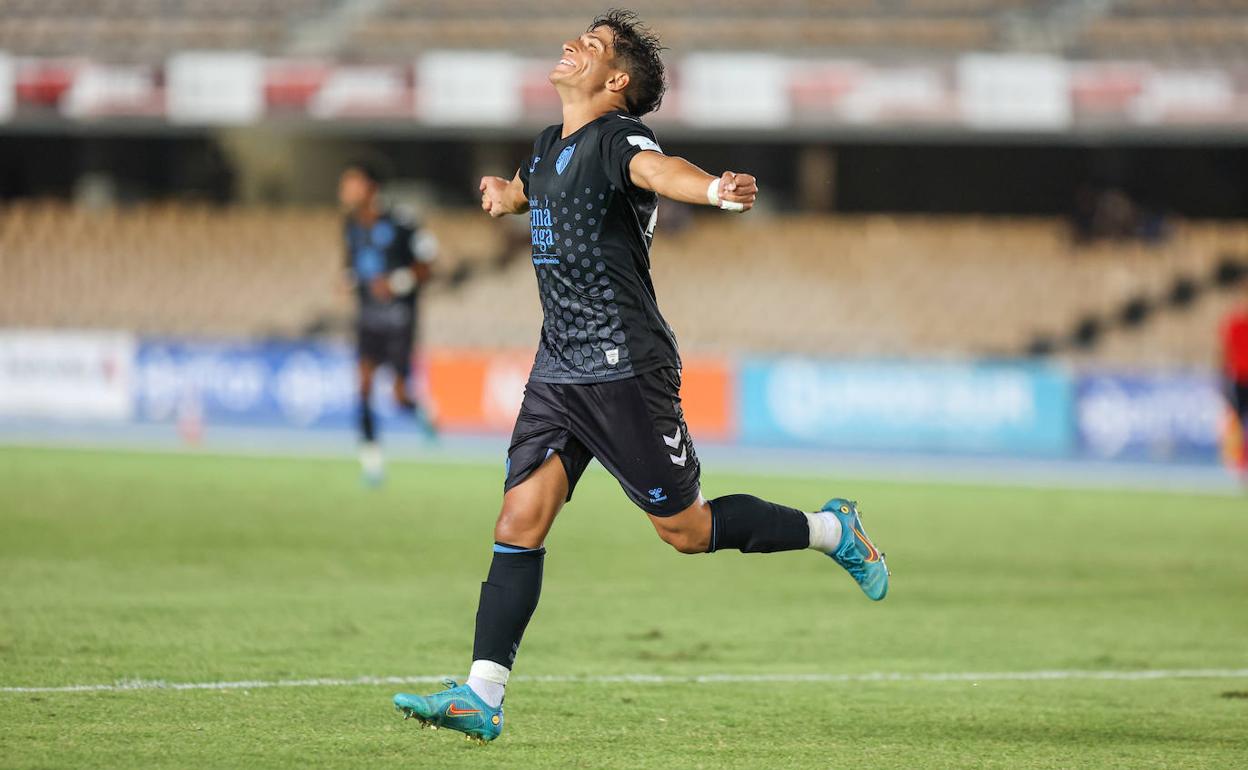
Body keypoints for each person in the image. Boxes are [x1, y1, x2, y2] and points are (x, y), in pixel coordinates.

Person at [393, 10, 890, 743]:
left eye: (589, 46)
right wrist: (505, 195)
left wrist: (714, 190)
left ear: (615, 81)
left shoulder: (620, 137)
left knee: (685, 532)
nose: (571, 45)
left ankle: (831, 529)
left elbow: (659, 172)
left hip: (626, 367)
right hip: (559, 367)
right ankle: (481, 694)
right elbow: (535, 187)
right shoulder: (548, 146)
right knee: (518, 522)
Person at [339, 161, 437, 484]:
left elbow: (427, 266)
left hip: (398, 318)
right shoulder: (350, 226)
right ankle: (372, 463)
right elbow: (353, 267)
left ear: (371, 188)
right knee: (364, 385)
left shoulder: (401, 222)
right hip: (368, 318)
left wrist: (395, 283)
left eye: (352, 184)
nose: (346, 191)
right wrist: (349, 280)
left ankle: (421, 411)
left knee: (397, 396)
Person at [1220, 286, 1248, 475]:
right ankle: (1236, 461)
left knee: (1237, 420)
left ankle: (1237, 462)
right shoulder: (1234, 324)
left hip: (1237, 377)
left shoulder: (1232, 323)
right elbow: (1226, 352)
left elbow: (1224, 353)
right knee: (1236, 421)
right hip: (1238, 377)